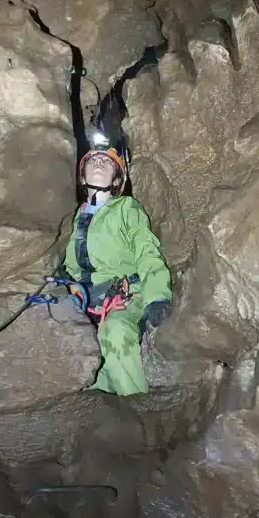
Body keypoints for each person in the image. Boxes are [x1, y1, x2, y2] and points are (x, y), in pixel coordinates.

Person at [63, 139, 172, 395]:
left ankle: (137, 411)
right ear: (82, 177)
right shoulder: (76, 217)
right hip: (88, 301)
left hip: (126, 294)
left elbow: (147, 249)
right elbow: (70, 268)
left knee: (115, 331)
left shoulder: (127, 208)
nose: (98, 162)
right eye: (92, 160)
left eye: (106, 161)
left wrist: (157, 295)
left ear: (116, 180)